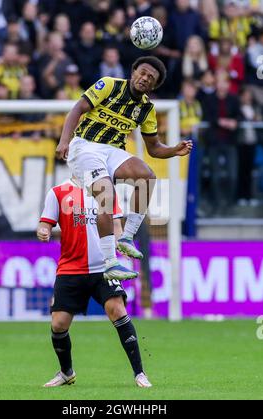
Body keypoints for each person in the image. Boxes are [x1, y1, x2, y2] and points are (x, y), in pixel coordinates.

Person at [55, 56, 192, 281]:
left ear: (154, 85)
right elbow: (78, 108)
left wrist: (173, 150)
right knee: (106, 197)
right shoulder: (109, 85)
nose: (145, 78)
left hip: (112, 152)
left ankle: (126, 238)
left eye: (151, 78)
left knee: (147, 176)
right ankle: (110, 263)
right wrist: (64, 141)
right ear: (133, 71)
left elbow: (154, 148)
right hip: (85, 147)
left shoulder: (147, 109)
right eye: (143, 72)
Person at [37, 177, 152, 388]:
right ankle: (66, 372)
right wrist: (43, 231)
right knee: (59, 323)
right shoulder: (58, 192)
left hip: (103, 267)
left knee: (117, 309)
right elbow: (44, 224)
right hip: (71, 269)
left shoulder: (105, 190)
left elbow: (116, 226)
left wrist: (122, 244)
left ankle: (140, 373)